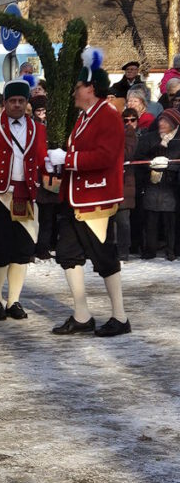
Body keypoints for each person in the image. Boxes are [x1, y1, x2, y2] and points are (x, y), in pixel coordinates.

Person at [46, 49, 130, 337]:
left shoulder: (107, 115)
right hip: (74, 197)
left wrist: (66, 160)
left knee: (104, 257)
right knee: (68, 254)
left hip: (96, 199)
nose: (73, 92)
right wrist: (58, 163)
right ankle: (82, 315)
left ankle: (120, 317)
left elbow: (105, 157)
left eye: (77, 86)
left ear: (90, 87)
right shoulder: (84, 116)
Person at [0, 76, 47, 321]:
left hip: (24, 193)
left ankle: (13, 301)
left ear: (27, 103)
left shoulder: (38, 128)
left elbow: (41, 158)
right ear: (5, 102)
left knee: (22, 249)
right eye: (12, 101)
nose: (17, 105)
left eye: (21, 101)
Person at [136, 108, 180, 260]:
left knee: (170, 220)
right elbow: (138, 158)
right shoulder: (149, 138)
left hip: (171, 186)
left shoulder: (178, 140)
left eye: (166, 121)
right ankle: (150, 249)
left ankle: (171, 249)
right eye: (161, 119)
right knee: (150, 218)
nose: (161, 123)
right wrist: (150, 166)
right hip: (152, 183)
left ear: (174, 124)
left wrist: (169, 167)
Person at [117, 108, 140, 261]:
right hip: (114, 180)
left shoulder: (129, 133)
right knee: (112, 219)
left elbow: (127, 153)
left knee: (123, 219)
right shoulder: (115, 132)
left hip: (127, 181)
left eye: (132, 120)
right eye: (125, 120)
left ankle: (123, 251)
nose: (129, 123)